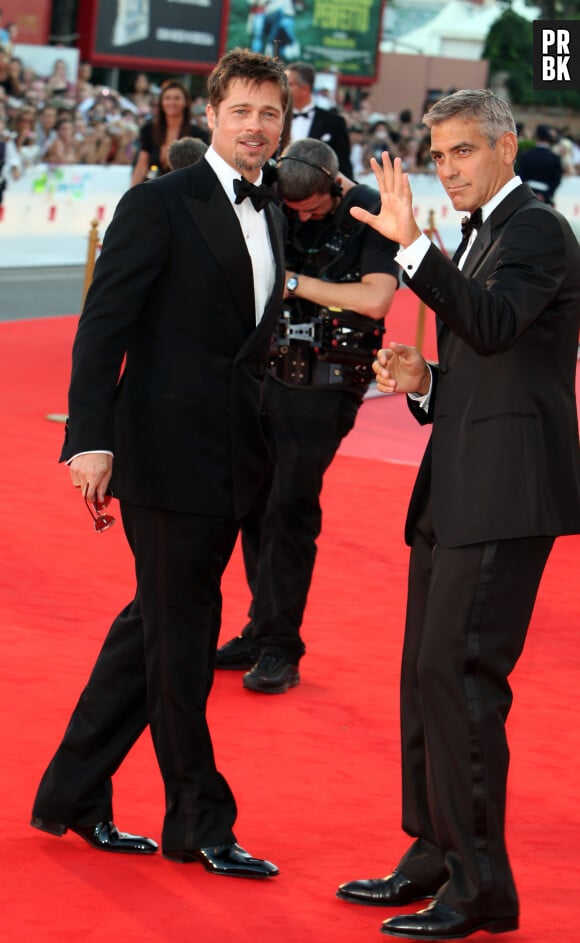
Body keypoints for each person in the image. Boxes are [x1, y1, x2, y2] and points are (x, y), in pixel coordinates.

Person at [30, 48, 290, 880]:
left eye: (271, 113)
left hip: (231, 458)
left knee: (153, 627)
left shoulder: (274, 209)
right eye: (243, 110)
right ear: (213, 111)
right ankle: (199, 818)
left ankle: (72, 791)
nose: (257, 126)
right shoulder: (159, 202)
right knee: (183, 638)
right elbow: (102, 326)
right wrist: (88, 438)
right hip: (164, 456)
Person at [335, 89, 580, 938]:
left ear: (507, 148)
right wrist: (427, 382)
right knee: (423, 676)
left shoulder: (537, 229)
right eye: (438, 154)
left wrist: (412, 249)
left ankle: (483, 888)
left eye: (462, 151)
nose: (447, 169)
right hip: (456, 487)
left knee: (461, 679)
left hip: (506, 492)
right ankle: (436, 850)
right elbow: (483, 358)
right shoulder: (482, 237)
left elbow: (496, 323)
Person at [216, 137, 398, 692]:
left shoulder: (369, 209)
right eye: (294, 211)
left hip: (328, 382)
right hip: (266, 372)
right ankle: (261, 625)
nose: (303, 217)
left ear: (334, 184)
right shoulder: (273, 199)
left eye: (313, 209)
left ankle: (280, 646)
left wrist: (294, 283)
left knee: (289, 510)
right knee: (251, 502)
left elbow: (375, 299)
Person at [131, 79, 209, 185]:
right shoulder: (149, 130)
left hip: (185, 190)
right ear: (161, 102)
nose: (171, 103)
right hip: (153, 189)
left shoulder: (198, 134)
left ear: (186, 102)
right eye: (167, 98)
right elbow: (142, 165)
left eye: (177, 98)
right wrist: (132, 194)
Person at [286, 61, 353, 177]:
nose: (284, 88)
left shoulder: (333, 123)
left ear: (305, 88)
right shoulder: (277, 117)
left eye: (290, 84)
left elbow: (343, 167)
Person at [516, 123, 563, 206]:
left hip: (527, 196)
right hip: (545, 198)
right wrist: (545, 195)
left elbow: (520, 176)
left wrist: (528, 194)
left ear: (537, 137)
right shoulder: (555, 158)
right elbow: (556, 180)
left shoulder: (526, 155)